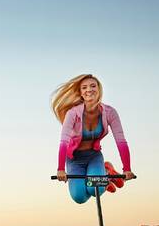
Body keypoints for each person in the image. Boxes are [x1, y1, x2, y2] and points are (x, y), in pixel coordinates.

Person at [52, 74, 135, 203]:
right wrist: (61, 169)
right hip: (75, 159)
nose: (89, 90)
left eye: (92, 86)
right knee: (79, 198)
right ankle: (104, 173)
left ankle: (106, 171)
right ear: (80, 93)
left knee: (95, 189)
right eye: (84, 87)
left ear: (99, 89)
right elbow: (64, 142)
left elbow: (121, 141)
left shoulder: (110, 112)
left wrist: (127, 168)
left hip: (93, 156)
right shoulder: (73, 113)